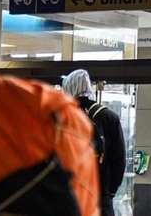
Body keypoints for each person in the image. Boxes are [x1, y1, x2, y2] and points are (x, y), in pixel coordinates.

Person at [61, 69, 126, 216]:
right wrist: (109, 192)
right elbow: (119, 160)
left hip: (72, 197)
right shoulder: (109, 117)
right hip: (100, 196)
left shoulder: (64, 116)